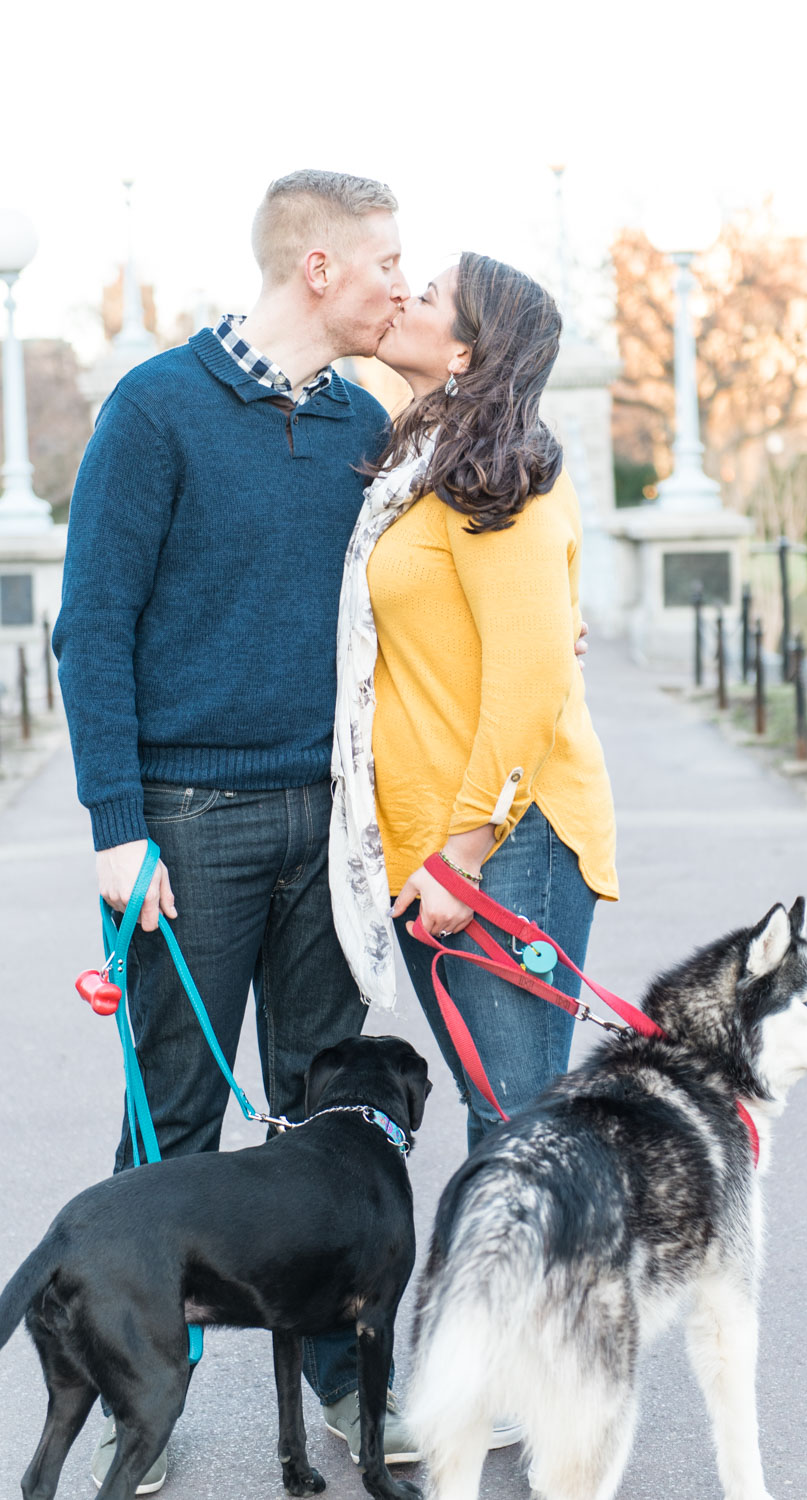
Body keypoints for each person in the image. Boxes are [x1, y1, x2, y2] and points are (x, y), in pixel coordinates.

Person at [53, 169, 418, 1491]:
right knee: (174, 1125)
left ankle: (335, 1378)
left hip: (327, 819)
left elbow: (413, 592)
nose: (399, 279)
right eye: (384, 258)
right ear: (315, 265)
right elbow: (90, 624)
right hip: (185, 824)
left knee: (328, 1115)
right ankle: (130, 1400)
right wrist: (114, 823)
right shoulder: (155, 409)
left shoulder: (359, 426)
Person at [330, 252, 618, 1155]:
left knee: (517, 1116)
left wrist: (462, 854)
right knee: (502, 1107)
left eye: (428, 296)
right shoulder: (418, 466)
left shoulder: (502, 477)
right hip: (434, 839)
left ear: (465, 351)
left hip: (505, 839)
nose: (404, 296)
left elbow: (531, 680)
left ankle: (547, 1299)